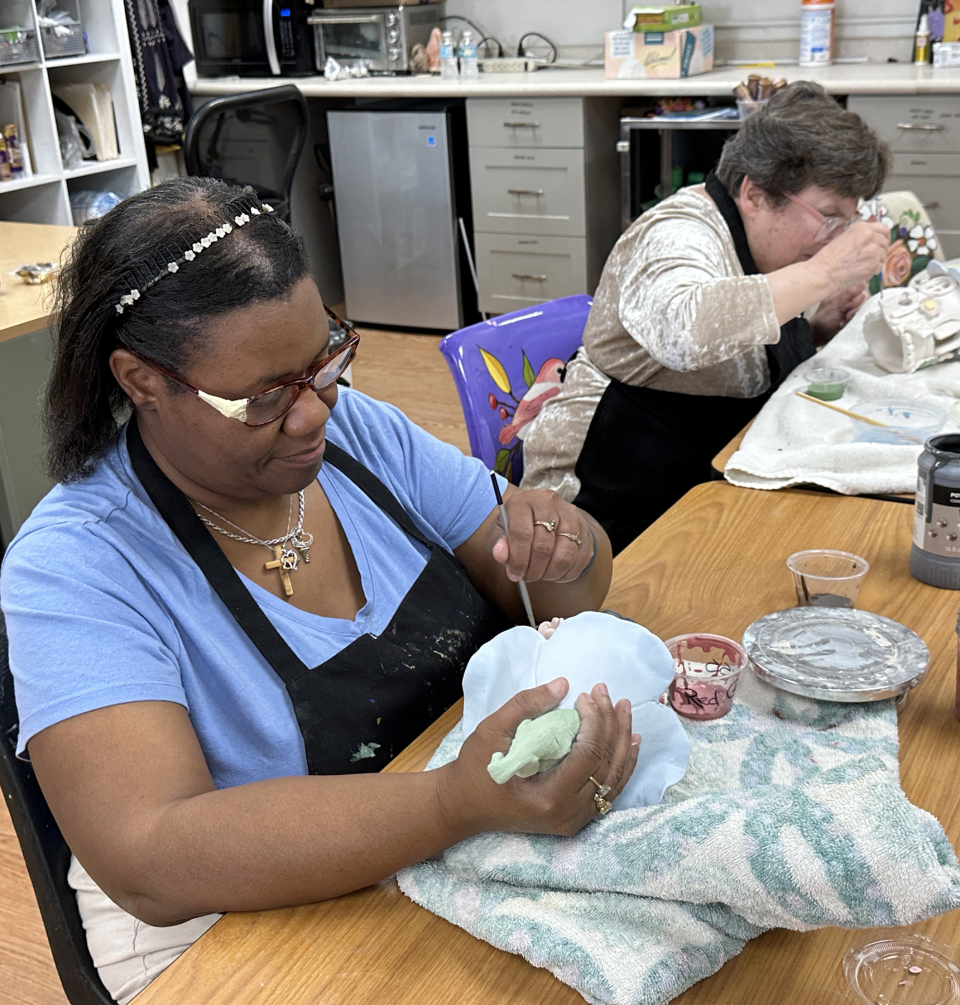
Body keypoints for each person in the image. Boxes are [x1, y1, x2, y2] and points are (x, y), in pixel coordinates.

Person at [0, 178, 635, 1003]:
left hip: (436, 847)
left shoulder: (359, 432)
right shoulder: (80, 562)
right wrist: (451, 803)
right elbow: (150, 856)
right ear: (141, 380)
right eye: (262, 397)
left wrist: (569, 547)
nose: (311, 416)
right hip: (224, 934)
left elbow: (551, 596)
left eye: (324, 361)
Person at [520, 82, 892, 555]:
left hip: (698, 479)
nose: (836, 237)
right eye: (829, 217)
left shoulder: (766, 248)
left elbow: (741, 345)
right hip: (598, 513)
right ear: (755, 194)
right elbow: (685, 331)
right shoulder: (676, 233)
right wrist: (825, 272)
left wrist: (817, 326)